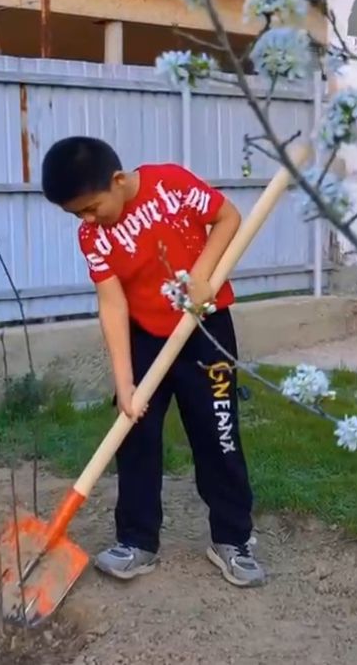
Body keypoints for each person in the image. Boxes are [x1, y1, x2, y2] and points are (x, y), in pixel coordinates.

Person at [39, 135, 264, 588]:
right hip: (146, 337)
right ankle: (137, 540)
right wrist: (124, 383)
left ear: (118, 181)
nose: (86, 219)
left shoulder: (171, 185)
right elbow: (113, 304)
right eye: (76, 214)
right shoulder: (93, 236)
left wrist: (202, 278)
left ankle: (232, 538)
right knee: (134, 436)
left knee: (218, 434)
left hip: (206, 331)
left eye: (91, 206)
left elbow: (228, 217)